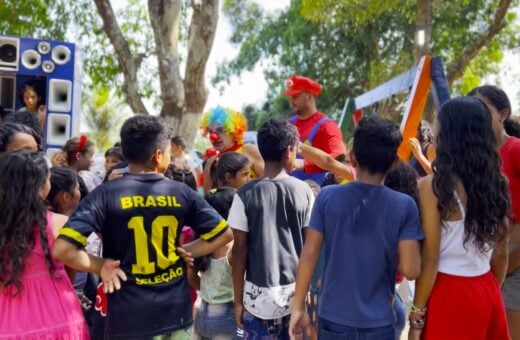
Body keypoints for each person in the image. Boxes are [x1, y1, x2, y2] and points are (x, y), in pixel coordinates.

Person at [52, 115, 233, 339]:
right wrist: (185, 251)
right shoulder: (182, 192)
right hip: (174, 315)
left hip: (127, 318)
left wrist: (101, 266)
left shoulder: (105, 194)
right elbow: (224, 234)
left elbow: (63, 249)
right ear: (158, 156)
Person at [289, 115, 423, 340]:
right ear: (393, 163)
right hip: (379, 323)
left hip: (332, 319)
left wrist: (298, 307)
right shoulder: (404, 205)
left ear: (352, 157)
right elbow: (410, 270)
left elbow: (309, 253)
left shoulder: (328, 196)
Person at [409, 97, 510, 340]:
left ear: (448, 132)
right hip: (487, 289)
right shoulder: (497, 182)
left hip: (449, 293)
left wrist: (416, 318)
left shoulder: (433, 186)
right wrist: (488, 288)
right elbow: (502, 252)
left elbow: (430, 260)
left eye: (437, 123)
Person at [229, 119, 314, 339]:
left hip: (256, 301)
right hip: (296, 299)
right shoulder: (304, 191)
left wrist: (238, 301)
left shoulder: (244, 194)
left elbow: (239, 251)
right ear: (288, 151)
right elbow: (310, 248)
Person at [0, 150, 89, 339]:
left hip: (7, 319)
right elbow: (70, 268)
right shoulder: (59, 223)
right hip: (57, 314)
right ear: (40, 186)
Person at [469, 85, 520, 340]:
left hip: (513, 260)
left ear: (503, 113)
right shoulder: (477, 157)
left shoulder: (516, 150)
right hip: (485, 263)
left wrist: (514, 259)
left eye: (482, 109)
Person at [194, 187, 239, 339]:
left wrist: (209, 292)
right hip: (227, 317)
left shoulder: (200, 243)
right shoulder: (233, 246)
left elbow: (190, 275)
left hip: (203, 313)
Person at [284, 75, 346, 184]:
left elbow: (338, 159)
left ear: (309, 96)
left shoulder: (327, 126)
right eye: (290, 96)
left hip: (317, 194)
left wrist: (303, 164)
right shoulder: (287, 124)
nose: (291, 100)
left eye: (295, 96)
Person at [383, 162, 420, 339]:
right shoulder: (411, 214)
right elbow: (411, 270)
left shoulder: (383, 209)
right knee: (397, 317)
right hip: (386, 287)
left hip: (385, 287)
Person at [200, 107, 264, 192]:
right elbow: (209, 195)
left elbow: (269, 181)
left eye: (220, 130)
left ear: (233, 131)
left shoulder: (248, 150)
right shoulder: (212, 161)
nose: (214, 136)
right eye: (211, 132)